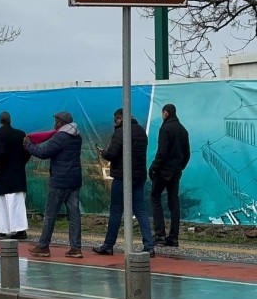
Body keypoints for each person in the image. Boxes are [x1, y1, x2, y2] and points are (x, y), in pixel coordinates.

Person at [94, 108, 155, 257]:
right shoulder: (141, 131)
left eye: (115, 120)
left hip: (123, 176)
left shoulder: (121, 132)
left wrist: (104, 153)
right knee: (140, 210)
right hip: (139, 176)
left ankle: (108, 245)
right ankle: (149, 246)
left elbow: (112, 153)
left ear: (120, 118)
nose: (114, 123)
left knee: (116, 210)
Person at [24, 111, 83, 258]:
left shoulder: (60, 137)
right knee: (74, 215)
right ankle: (76, 248)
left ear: (61, 123)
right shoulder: (77, 136)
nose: (54, 123)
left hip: (59, 181)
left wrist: (29, 145)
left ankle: (43, 246)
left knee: (50, 215)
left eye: (56, 121)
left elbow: (43, 153)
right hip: (74, 180)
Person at [149, 103, 190, 247]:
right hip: (176, 172)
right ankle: (174, 237)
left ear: (165, 113)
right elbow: (187, 154)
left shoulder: (165, 129)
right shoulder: (183, 130)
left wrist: (153, 168)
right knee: (174, 202)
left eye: (162, 113)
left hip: (163, 171)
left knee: (155, 197)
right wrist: (179, 167)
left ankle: (160, 234)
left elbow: (162, 152)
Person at [0, 112, 31, 239]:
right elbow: (27, 151)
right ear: (10, 120)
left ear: (0, 121)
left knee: (4, 203)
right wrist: (20, 163)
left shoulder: (0, 134)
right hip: (18, 173)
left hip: (4, 173)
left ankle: (5, 228)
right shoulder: (20, 134)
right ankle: (18, 229)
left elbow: (0, 154)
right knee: (17, 203)